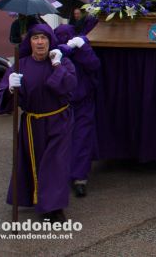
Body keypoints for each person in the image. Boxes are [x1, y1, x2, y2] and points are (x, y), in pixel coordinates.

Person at [0, 24, 78, 222]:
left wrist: (57, 66)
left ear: (50, 41)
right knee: (35, 163)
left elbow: (70, 88)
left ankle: (54, 208)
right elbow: (1, 104)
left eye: (44, 38)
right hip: (32, 124)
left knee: (54, 163)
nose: (40, 42)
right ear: (29, 42)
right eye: (35, 38)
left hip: (59, 120)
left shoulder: (62, 63)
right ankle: (36, 198)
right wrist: (10, 90)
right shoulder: (19, 66)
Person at [54, 24, 100, 198]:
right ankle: (61, 175)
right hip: (61, 105)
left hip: (83, 103)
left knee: (82, 140)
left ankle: (79, 177)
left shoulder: (81, 48)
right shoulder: (56, 53)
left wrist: (82, 47)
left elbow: (94, 65)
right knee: (61, 141)